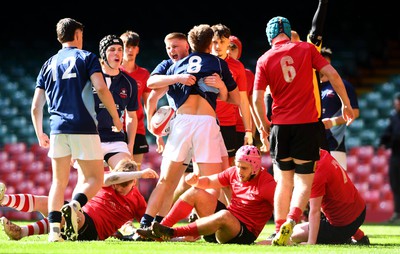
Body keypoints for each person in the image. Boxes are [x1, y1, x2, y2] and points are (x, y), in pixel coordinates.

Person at [252, 16, 354, 246]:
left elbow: (257, 98)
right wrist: (346, 103)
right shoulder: (307, 49)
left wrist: (262, 125)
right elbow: (334, 75)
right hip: (307, 125)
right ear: (288, 33)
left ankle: (279, 230)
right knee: (304, 182)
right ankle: (292, 219)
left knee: (284, 182)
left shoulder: (264, 59)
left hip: (280, 126)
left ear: (269, 37)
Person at [138, 24, 240, 233]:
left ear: (188, 44)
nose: (171, 51)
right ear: (211, 43)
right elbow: (235, 99)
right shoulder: (218, 64)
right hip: (205, 123)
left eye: (175, 46)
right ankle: (207, 230)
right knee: (210, 183)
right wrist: (220, 87)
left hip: (181, 123)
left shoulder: (175, 66)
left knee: (166, 180)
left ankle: (148, 223)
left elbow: (152, 89)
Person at [30, 18, 123, 242]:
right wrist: (115, 117)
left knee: (58, 182)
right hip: (84, 126)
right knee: (95, 178)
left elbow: (35, 106)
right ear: (78, 35)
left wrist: (39, 133)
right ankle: (74, 205)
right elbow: (100, 87)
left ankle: (54, 233)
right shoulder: (87, 57)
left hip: (57, 128)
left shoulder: (48, 63)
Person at [136, 145, 276, 245]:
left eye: (244, 168)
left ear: (256, 167)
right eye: (238, 166)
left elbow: (283, 207)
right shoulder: (233, 171)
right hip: (223, 224)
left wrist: (277, 236)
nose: (239, 171)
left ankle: (173, 233)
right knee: (195, 192)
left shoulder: (267, 184)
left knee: (224, 215)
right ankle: (158, 232)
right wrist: (196, 181)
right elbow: (209, 181)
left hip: (243, 234)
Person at [0, 159, 159, 241]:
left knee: (68, 214)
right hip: (80, 214)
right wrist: (139, 173)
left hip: (93, 230)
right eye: (118, 184)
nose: (119, 188)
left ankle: (22, 232)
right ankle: (4, 199)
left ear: (134, 183)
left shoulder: (138, 200)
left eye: (124, 185)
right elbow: (109, 179)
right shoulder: (108, 181)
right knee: (48, 203)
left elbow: (146, 224)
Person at [257, 149, 369, 245]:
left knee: (294, 234)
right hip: (360, 211)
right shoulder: (323, 154)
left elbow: (315, 211)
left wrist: (311, 242)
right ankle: (358, 236)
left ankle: (344, 237)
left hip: (342, 227)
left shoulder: (315, 174)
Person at [211, 24, 253, 167]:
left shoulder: (237, 66)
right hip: (204, 122)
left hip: (227, 123)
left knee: (227, 170)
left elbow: (243, 100)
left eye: (222, 42)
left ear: (228, 42)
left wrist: (248, 130)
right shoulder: (201, 61)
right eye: (215, 42)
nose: (218, 46)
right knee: (201, 171)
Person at [320, 47, 360, 170]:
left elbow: (354, 112)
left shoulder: (341, 85)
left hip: (334, 143)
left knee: (337, 184)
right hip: (313, 143)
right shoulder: (311, 86)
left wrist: (332, 122)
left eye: (327, 63)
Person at [119, 30, 151, 172]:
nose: (130, 50)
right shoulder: (113, 72)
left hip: (137, 129)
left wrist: (158, 134)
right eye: (127, 46)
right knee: (115, 175)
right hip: (115, 129)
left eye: (133, 46)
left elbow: (149, 105)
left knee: (135, 175)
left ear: (137, 49)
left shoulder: (144, 74)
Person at [228, 35, 260, 148]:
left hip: (242, 127)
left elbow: (252, 106)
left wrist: (254, 131)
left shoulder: (249, 75)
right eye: (226, 48)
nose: (229, 51)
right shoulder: (216, 69)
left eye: (233, 48)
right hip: (223, 124)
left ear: (239, 52)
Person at [379, 92, 400, 223]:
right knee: (396, 185)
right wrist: (384, 143)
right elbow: (387, 134)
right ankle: (397, 213)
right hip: (396, 156)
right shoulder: (394, 118)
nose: (397, 104)